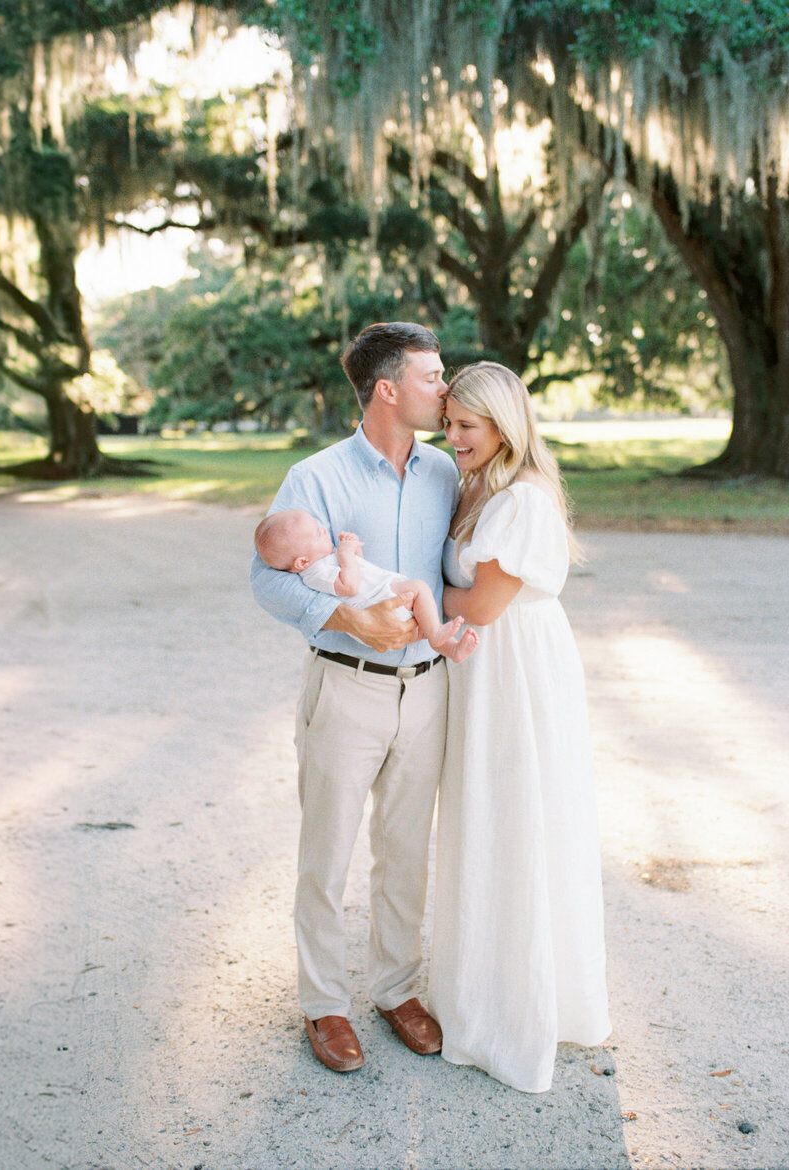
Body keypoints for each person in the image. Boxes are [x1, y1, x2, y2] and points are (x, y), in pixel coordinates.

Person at [248, 322, 458, 1074]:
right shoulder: (316, 477)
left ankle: (396, 990)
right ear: (388, 389)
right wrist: (349, 618)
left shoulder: (446, 472)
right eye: (433, 376)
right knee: (327, 853)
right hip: (344, 687)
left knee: (405, 853)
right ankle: (325, 1004)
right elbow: (265, 579)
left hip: (427, 692)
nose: (445, 387)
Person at [428, 360, 612, 1093]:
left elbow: (481, 606)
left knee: (518, 821)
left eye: (467, 426)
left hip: (516, 672)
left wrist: (414, 595)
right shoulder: (475, 483)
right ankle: (480, 986)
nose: (454, 437)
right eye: (448, 424)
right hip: (480, 671)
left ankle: (518, 1009)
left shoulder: (524, 498)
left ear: (505, 425)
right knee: (484, 821)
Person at [254, 509, 479, 664]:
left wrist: (353, 549)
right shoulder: (314, 573)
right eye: (317, 533)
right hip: (376, 606)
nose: (324, 530)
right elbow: (350, 586)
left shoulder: (324, 559)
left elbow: (359, 567)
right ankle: (439, 635)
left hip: (380, 601)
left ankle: (452, 649)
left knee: (422, 627)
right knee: (419, 588)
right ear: (302, 562)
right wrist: (345, 554)